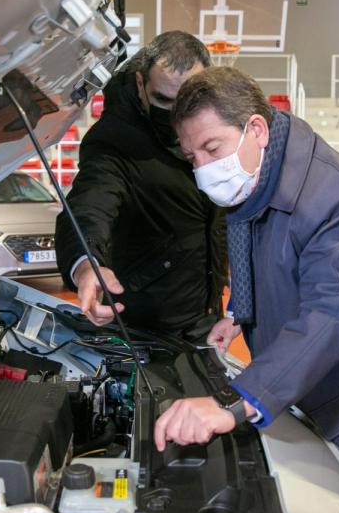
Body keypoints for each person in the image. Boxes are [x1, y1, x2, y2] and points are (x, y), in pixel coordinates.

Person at [153, 66, 339, 499]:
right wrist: (239, 313)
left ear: (256, 129)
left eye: (211, 148)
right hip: (300, 385)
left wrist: (235, 402)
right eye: (193, 158)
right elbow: (254, 239)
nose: (203, 169)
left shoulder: (332, 196)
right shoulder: (263, 170)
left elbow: (333, 312)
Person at [54, 31, 226, 339]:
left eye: (186, 100)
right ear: (139, 84)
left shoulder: (213, 125)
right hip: (146, 330)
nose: (174, 112)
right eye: (162, 99)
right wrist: (85, 264)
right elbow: (89, 206)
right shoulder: (114, 141)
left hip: (207, 317)